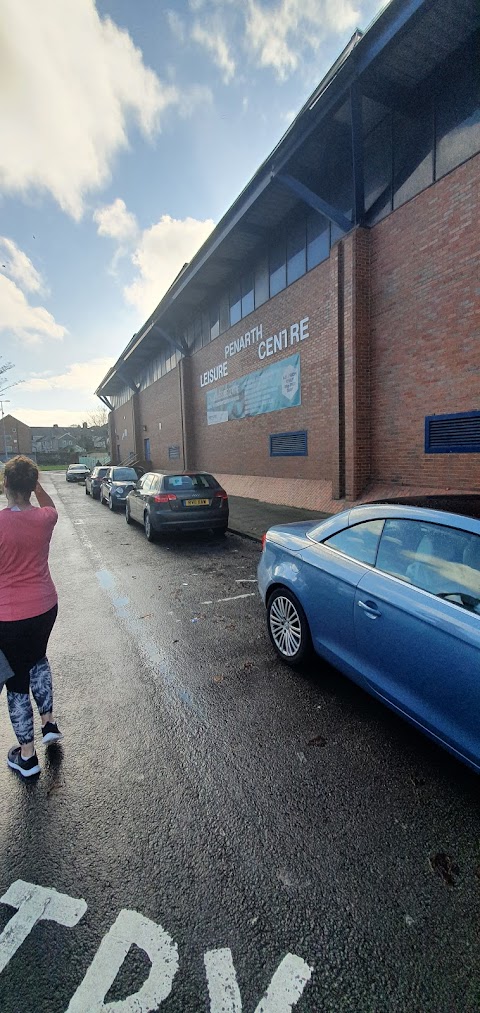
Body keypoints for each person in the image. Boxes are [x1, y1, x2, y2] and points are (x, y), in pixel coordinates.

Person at [0, 456, 62, 777]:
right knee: (38, 659)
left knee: (16, 680)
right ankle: (48, 722)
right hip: (45, 608)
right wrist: (36, 486)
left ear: (6, 484)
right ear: (31, 484)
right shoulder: (44, 518)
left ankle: (27, 756)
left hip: (9, 618)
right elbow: (50, 505)